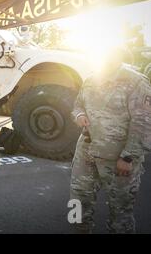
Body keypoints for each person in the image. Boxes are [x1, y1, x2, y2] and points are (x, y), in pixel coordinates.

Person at [70, 46, 151, 234]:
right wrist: (79, 115)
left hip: (118, 158)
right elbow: (77, 105)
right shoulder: (91, 79)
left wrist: (128, 157)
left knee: (120, 211)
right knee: (77, 202)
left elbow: (144, 122)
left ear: (117, 57)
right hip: (87, 152)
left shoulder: (136, 82)